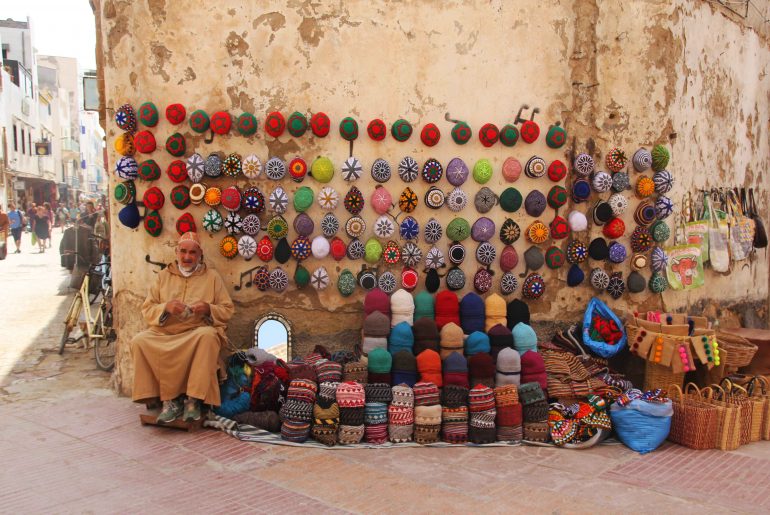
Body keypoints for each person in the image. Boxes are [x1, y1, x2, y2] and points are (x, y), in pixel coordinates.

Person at [131, 231, 234, 423]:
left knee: (208, 337)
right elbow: (147, 308)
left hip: (196, 333)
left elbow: (227, 310)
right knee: (139, 341)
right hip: (165, 333)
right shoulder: (162, 276)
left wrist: (208, 309)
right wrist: (166, 307)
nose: (187, 257)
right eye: (183, 252)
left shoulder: (211, 277)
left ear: (199, 255)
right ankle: (168, 400)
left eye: (192, 253)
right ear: (177, 252)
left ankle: (192, 400)